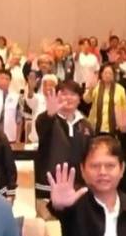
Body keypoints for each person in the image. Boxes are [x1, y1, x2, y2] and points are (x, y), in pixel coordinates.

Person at [34, 80, 94, 208]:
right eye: (64, 94)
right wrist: (49, 115)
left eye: (73, 94)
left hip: (77, 189)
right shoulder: (47, 120)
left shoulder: (86, 125)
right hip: (48, 188)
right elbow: (41, 126)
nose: (68, 98)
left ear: (79, 99)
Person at [84, 64, 126, 136]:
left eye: (110, 73)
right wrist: (91, 89)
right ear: (101, 74)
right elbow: (87, 100)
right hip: (96, 125)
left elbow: (124, 107)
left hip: (113, 126)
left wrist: (123, 124)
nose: (108, 75)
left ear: (114, 75)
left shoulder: (120, 89)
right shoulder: (96, 86)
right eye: (105, 73)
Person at [0, 69, 22, 145]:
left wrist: (18, 139)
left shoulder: (15, 96)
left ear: (10, 81)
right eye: (2, 78)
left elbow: (19, 120)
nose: (4, 81)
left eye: (7, 79)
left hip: (10, 136)